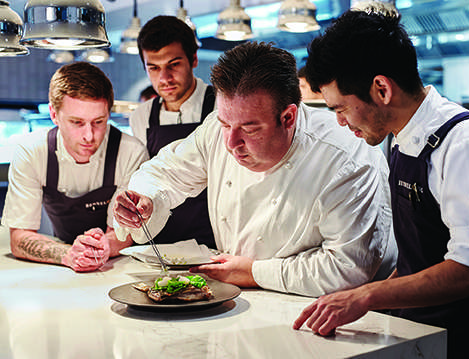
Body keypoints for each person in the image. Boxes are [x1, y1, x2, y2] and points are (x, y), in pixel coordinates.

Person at [293, 6, 469, 359]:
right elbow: (421, 260)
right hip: (420, 339)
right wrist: (364, 303)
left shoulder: (468, 145)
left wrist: (366, 296)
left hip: (467, 345)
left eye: (340, 108)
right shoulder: (402, 140)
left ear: (381, 89)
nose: (340, 123)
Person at [113, 41, 397, 297]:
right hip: (238, 299)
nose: (231, 143)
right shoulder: (216, 130)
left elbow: (348, 269)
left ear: (288, 117)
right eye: (226, 124)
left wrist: (254, 272)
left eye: (249, 129)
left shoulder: (347, 159)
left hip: (330, 314)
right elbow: (163, 172)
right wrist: (146, 199)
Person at [1, 62, 149, 272]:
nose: (89, 136)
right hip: (58, 264)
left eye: (99, 121)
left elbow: (122, 235)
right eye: (77, 122)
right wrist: (68, 254)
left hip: (114, 265)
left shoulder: (131, 152)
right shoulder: (32, 151)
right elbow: (19, 238)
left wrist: (102, 247)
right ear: (54, 115)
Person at [129, 15, 215, 248]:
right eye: (154, 68)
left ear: (194, 59)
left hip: (213, 242)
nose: (164, 78)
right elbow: (145, 176)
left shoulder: (221, 106)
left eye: (173, 65)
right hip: (157, 246)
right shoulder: (141, 116)